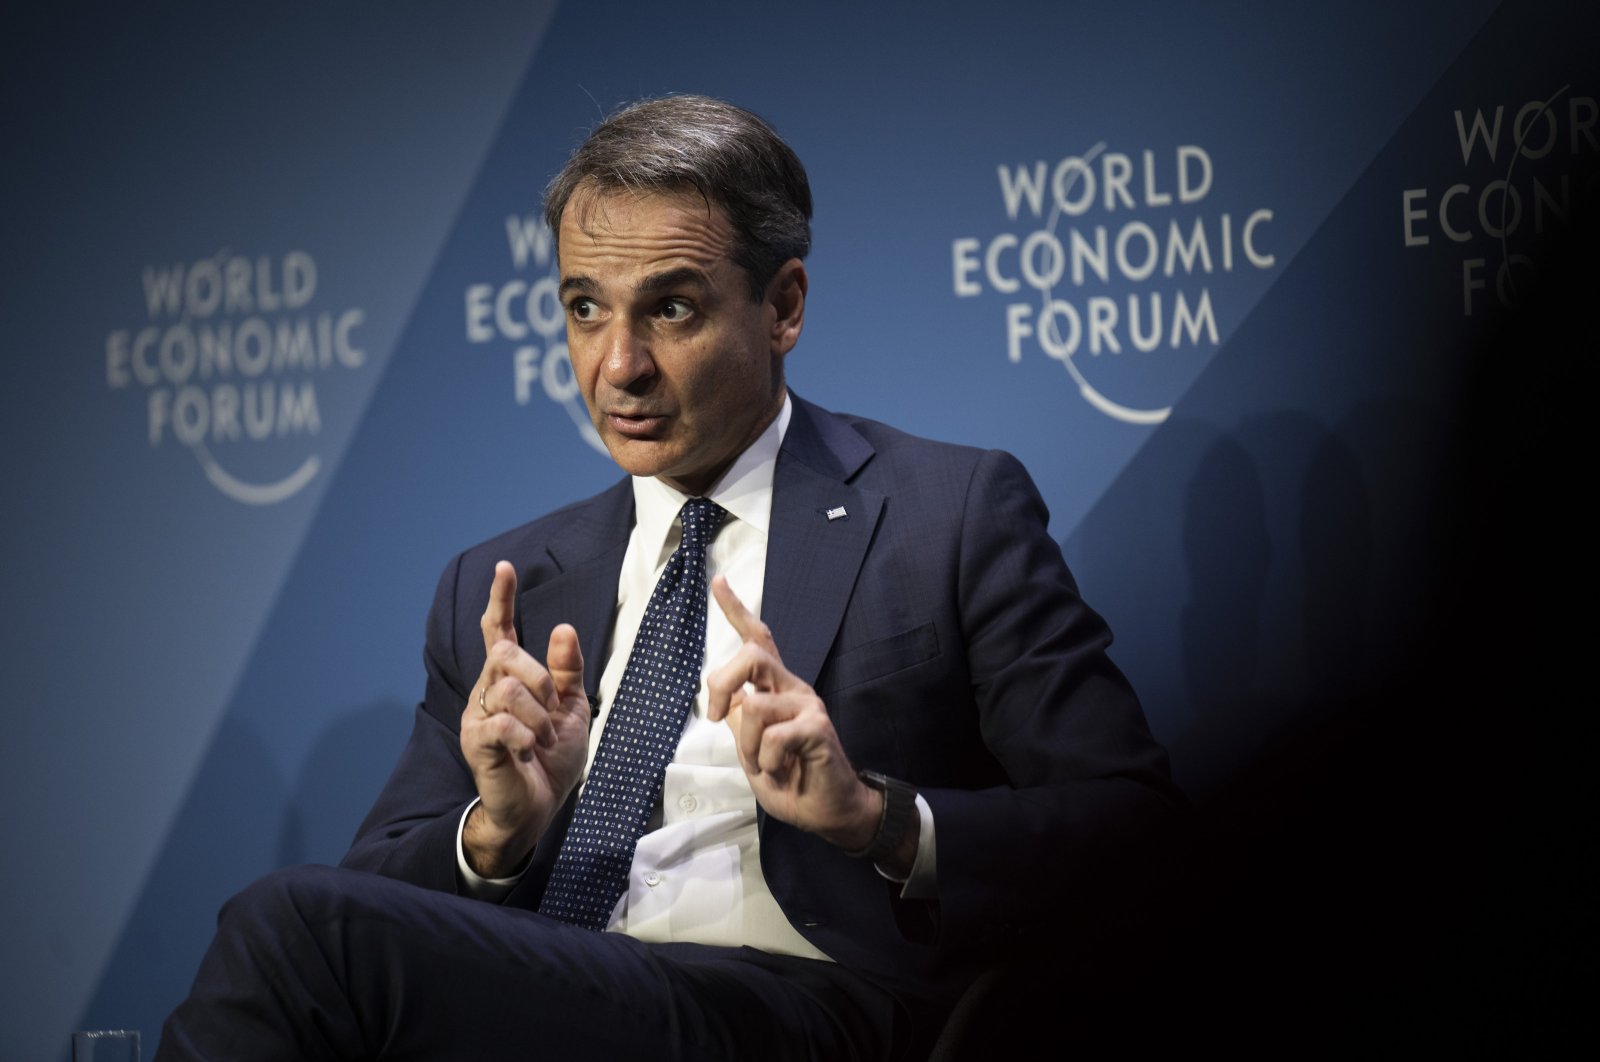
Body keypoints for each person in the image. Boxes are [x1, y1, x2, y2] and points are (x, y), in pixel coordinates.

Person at [158, 94, 1180, 1061]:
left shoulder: (944, 514)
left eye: (673, 310)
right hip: (565, 992)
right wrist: (499, 829)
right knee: (306, 938)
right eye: (584, 309)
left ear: (782, 306)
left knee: (291, 924)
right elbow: (376, 893)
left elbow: (1128, 826)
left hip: (806, 1006)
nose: (618, 365)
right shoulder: (505, 585)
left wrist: (871, 816)